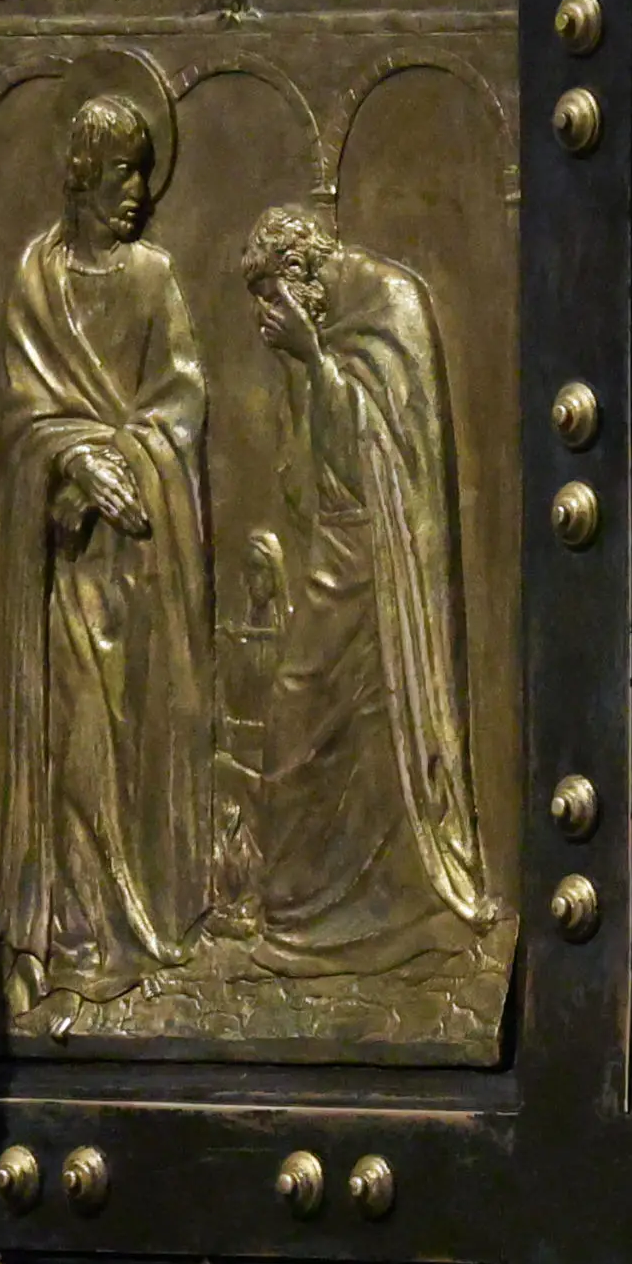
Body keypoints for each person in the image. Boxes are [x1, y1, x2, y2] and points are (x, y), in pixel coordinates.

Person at [0, 52, 214, 1012]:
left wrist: (136, 461)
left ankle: (131, 917)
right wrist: (69, 460)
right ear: (81, 176)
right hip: (62, 557)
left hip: (139, 554)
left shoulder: (156, 280)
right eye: (119, 174)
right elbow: (16, 416)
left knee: (126, 737)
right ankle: (74, 928)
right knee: (73, 735)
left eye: (142, 176)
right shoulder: (34, 278)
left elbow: (182, 403)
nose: (135, 195)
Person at [236, 206, 497, 972]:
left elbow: (380, 453)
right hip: (338, 547)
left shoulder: (391, 306)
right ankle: (304, 909)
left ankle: (385, 908)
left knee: (333, 710)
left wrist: (314, 356)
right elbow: (306, 475)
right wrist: (308, 363)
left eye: (268, 293)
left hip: (380, 556)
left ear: (304, 274)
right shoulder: (328, 325)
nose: (262, 317)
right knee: (301, 714)